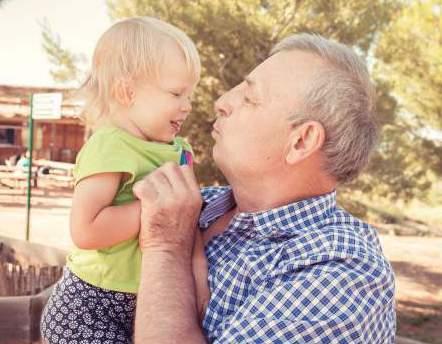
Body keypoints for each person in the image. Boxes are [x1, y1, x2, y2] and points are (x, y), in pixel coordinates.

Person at [133, 33, 396, 343]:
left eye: (249, 98)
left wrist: (166, 247)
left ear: (301, 141)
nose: (221, 103)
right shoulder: (194, 204)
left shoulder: (343, 275)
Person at [40, 17, 209, 343]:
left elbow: (189, 219)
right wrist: (155, 211)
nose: (187, 106)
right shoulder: (109, 145)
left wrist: (199, 280)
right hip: (90, 305)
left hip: (150, 301)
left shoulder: (181, 152)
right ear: (127, 91)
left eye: (190, 94)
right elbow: (86, 229)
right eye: (177, 93)